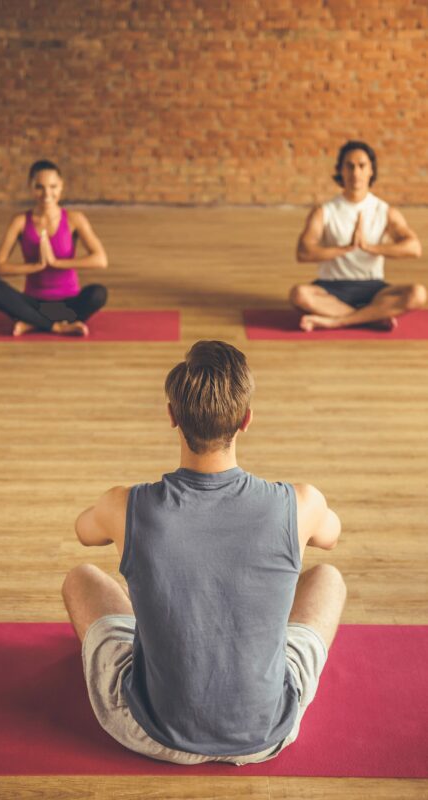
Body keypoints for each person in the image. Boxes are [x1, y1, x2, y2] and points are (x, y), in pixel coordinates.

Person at [62, 340, 347, 766]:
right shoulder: (301, 502)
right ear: (246, 420)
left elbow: (84, 533)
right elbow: (331, 537)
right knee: (329, 578)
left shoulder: (125, 504)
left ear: (172, 416)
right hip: (267, 731)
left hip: (151, 729)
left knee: (81, 577)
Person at [290, 140, 425, 331]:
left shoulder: (385, 211)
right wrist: (345, 249)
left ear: (371, 170)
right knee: (299, 294)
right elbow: (303, 252)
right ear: (340, 170)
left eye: (362, 166)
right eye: (349, 166)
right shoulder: (324, 211)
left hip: (374, 288)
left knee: (418, 294)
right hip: (331, 288)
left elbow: (414, 248)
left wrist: (369, 247)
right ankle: (372, 317)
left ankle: (336, 320)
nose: (355, 173)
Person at [0, 159, 108, 336]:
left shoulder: (74, 219)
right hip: (33, 302)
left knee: (98, 293)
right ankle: (56, 326)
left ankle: (32, 322)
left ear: (61, 186)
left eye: (53, 186)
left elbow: (100, 260)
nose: (47, 193)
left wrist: (55, 262)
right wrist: (35, 267)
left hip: (68, 304)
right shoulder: (20, 221)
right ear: (30, 187)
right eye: (39, 187)